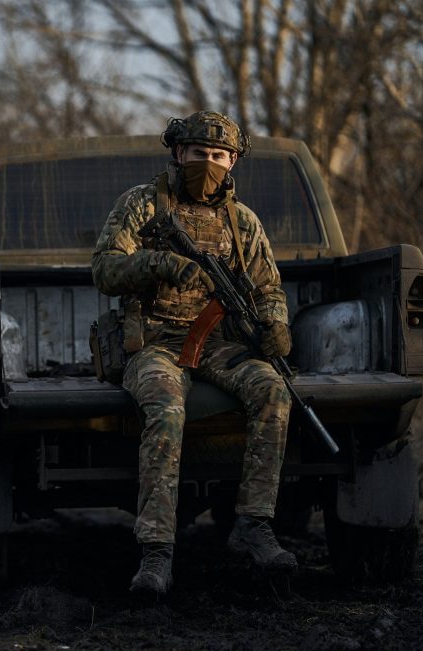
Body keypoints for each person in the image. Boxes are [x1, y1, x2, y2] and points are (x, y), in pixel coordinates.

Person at [91, 111, 297, 596]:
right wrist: (159, 264)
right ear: (178, 154)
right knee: (165, 410)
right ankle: (157, 551)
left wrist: (276, 327)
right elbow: (104, 269)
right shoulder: (143, 204)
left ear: (233, 162)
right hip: (156, 344)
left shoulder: (241, 221)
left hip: (218, 344)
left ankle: (253, 524)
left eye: (220, 156)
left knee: (274, 391)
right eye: (200, 153)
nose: (210, 163)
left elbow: (267, 287)